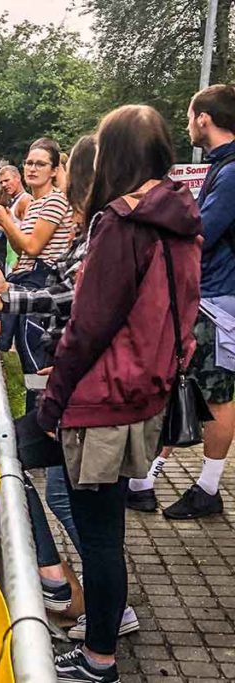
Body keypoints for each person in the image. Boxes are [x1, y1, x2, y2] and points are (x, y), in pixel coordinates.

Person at [39, 105, 201, 683]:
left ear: (115, 157)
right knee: (107, 531)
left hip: (101, 398)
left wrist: (53, 400)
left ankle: (97, 658)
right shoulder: (181, 217)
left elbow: (88, 326)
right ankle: (94, 642)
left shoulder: (121, 221)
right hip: (143, 396)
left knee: (100, 536)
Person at [0, 136, 143, 640]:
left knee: (29, 467)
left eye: (61, 172)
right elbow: (76, 293)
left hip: (92, 396)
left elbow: (77, 297)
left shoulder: (107, 230)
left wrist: (10, 300)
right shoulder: (109, 228)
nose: (62, 187)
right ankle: (86, 608)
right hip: (87, 387)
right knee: (75, 501)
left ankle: (79, 609)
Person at [126, 84, 235, 518]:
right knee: (178, 382)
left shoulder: (230, 172)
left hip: (217, 299)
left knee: (218, 394)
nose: (188, 124)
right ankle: (143, 481)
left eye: (191, 115)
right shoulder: (222, 167)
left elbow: (202, 231)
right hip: (206, 294)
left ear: (204, 118)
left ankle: (207, 489)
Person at [0, 139, 74, 410]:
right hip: (26, 276)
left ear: (54, 170)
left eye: (40, 164)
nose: (32, 169)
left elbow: (33, 247)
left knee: (37, 359)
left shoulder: (55, 201)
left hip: (44, 281)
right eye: (29, 163)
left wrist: (6, 221)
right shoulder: (35, 204)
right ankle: (32, 422)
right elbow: (19, 246)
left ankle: (41, 423)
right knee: (26, 356)